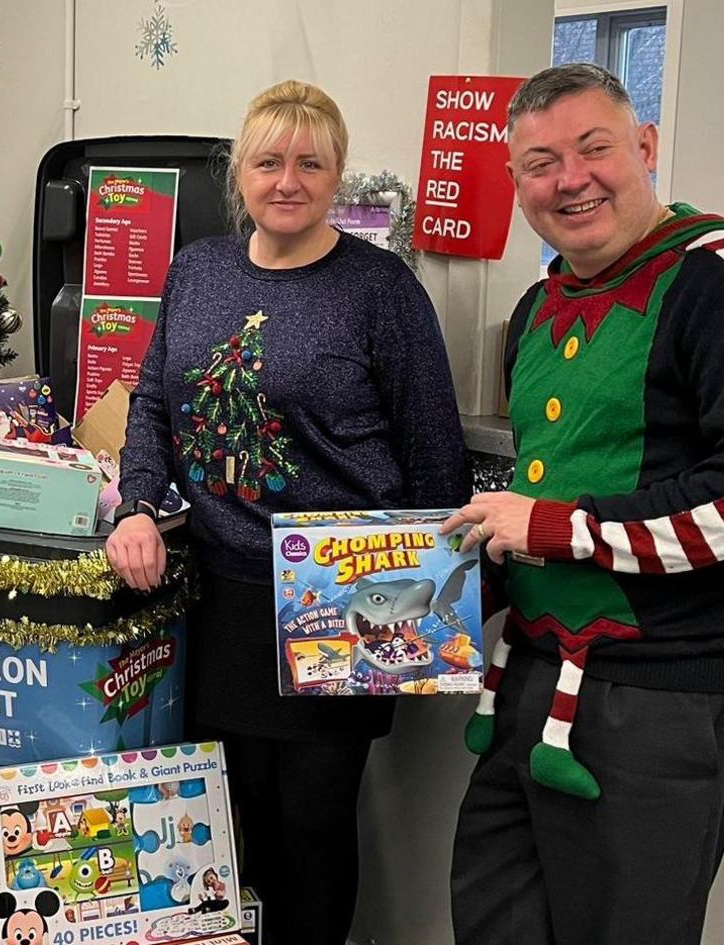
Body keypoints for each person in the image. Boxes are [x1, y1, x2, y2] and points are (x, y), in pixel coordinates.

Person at [446, 64, 724, 945]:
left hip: (664, 693)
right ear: (517, 183)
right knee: (494, 917)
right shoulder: (540, 305)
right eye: (540, 162)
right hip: (533, 674)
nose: (569, 179)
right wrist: (456, 581)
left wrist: (556, 527)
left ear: (645, 147)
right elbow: (558, 491)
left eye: (593, 148)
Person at [107, 79, 467, 943]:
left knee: (311, 824)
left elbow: (433, 451)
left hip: (343, 594)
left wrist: (432, 608)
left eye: (310, 163)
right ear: (242, 171)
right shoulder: (199, 268)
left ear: (337, 173)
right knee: (227, 822)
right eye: (269, 162)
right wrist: (138, 509)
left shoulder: (381, 288)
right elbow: (155, 402)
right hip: (220, 590)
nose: (288, 181)